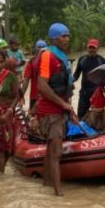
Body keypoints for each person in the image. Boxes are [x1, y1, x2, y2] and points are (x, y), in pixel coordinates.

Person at [35, 23, 76, 196]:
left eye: (67, 36)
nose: (67, 39)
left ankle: (46, 184)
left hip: (59, 110)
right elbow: (42, 86)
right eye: (63, 36)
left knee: (51, 149)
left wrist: (68, 109)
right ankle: (58, 193)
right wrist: (63, 104)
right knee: (56, 152)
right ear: (53, 38)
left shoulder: (63, 57)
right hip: (49, 112)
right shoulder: (47, 56)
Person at [73, 38, 105, 118]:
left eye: (94, 48)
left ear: (98, 48)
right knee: (81, 115)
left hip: (97, 92)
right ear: (87, 47)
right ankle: (81, 129)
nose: (91, 49)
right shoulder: (82, 60)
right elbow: (76, 75)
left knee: (97, 116)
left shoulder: (103, 61)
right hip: (84, 91)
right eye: (90, 47)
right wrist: (69, 81)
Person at [22, 39, 48, 110]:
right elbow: (26, 80)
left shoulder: (31, 62)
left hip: (40, 96)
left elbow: (26, 80)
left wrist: (21, 95)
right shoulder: (32, 62)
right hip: (46, 96)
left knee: (33, 118)